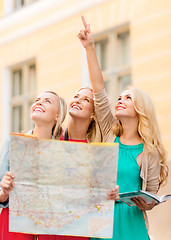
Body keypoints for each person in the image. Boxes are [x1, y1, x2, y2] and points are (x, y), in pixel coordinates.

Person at [77, 16, 169, 240]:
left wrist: (145, 203)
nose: (120, 100)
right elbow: (98, 89)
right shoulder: (109, 133)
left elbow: (151, 199)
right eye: (119, 97)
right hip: (101, 223)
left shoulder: (151, 152)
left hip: (132, 226)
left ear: (140, 108)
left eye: (128, 98)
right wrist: (89, 46)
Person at [0, 90, 67, 240]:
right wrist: (4, 191)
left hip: (49, 229)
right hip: (15, 228)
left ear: (57, 116)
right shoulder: (13, 143)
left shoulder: (64, 152)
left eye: (47, 101)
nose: (39, 102)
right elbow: (0, 196)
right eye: (37, 99)